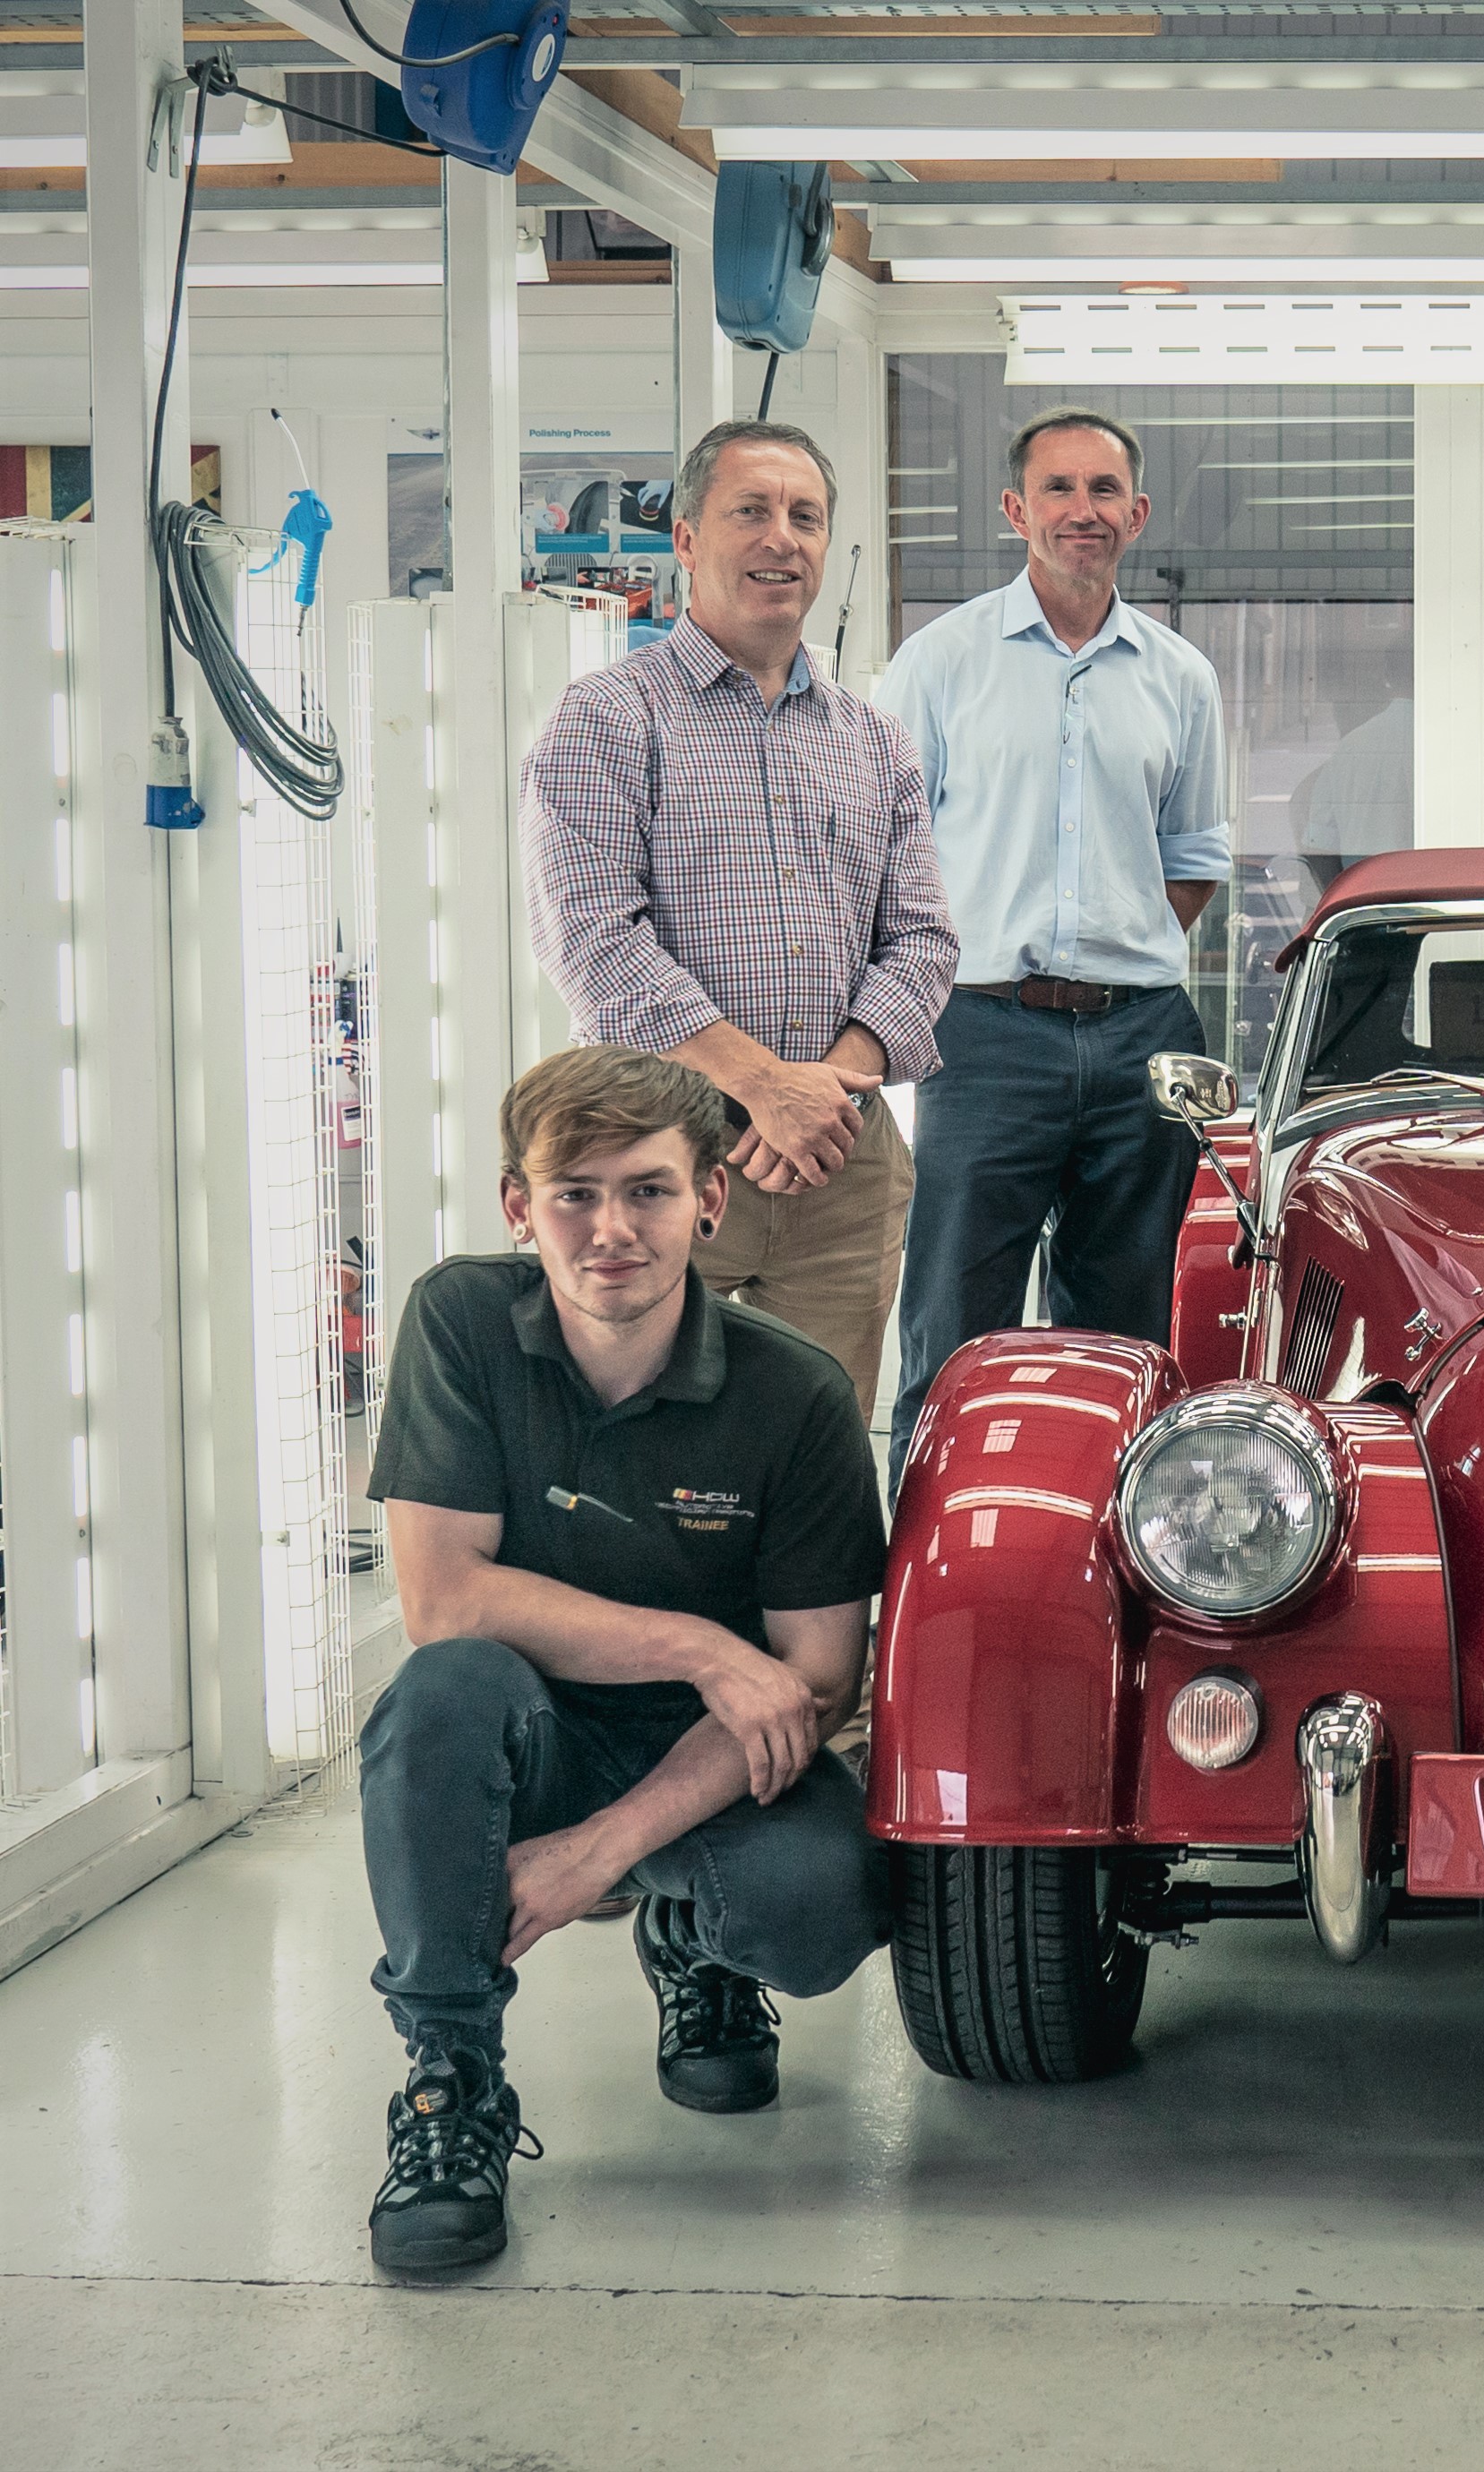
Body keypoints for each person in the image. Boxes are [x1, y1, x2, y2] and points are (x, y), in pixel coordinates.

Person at [355, 1046, 896, 2277]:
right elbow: (446, 1601)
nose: (613, 1230)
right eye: (575, 1193)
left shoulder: (796, 1396)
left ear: (711, 1199)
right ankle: (452, 2086)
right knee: (438, 1697)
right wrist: (701, 1645)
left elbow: (814, 1677)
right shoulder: (460, 1322)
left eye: (648, 1191)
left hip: (710, 1755)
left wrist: (600, 1855)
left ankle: (694, 1940)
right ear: (517, 1206)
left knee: (826, 1905)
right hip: (533, 1728)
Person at [524, 418, 959, 1421]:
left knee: (817, 1455)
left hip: (838, 1163)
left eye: (805, 517)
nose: (782, 539)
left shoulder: (874, 739)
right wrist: (766, 1090)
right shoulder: (606, 720)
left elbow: (925, 942)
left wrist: (820, 1095)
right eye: (750, 511)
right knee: (645, 1451)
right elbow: (594, 940)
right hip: (656, 1154)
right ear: (685, 539)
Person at [873, 408, 1228, 1477]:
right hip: (982, 1036)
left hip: (1144, 1042)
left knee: (1134, 1334)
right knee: (951, 1326)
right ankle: (921, 1589)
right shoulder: (938, 665)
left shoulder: (1181, 678)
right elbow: (889, 855)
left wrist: (1116, 956)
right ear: (1015, 511)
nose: (1084, 511)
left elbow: (1195, 854)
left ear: (1139, 514)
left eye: (1104, 491)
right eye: (1060, 491)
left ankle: (1115, 1572)